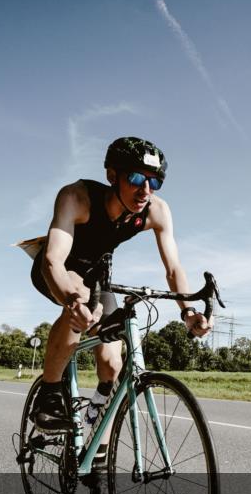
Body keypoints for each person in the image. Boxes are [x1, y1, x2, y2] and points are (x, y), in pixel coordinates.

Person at [29, 137, 212, 435]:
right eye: (136, 178)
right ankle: (48, 397)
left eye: (155, 182)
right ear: (112, 176)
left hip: (98, 278)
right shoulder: (77, 197)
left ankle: (95, 436)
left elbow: (173, 268)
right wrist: (72, 302)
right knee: (81, 296)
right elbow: (52, 261)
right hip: (57, 270)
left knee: (112, 365)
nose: (145, 190)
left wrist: (188, 311)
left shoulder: (156, 210)